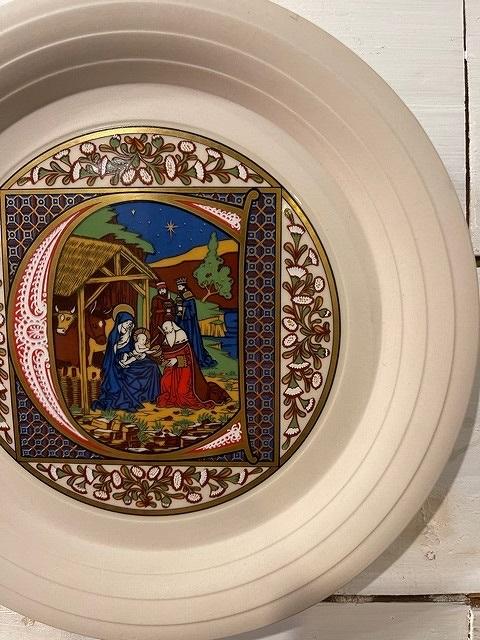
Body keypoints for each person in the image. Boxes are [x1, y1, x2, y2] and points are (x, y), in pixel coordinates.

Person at [92, 311, 161, 412]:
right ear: (120, 323)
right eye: (126, 323)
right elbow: (112, 355)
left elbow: (133, 350)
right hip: (116, 363)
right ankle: (130, 398)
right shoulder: (113, 336)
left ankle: (151, 396)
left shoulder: (129, 335)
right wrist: (121, 361)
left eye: (130, 324)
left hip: (131, 358)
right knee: (126, 373)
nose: (128, 326)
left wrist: (139, 355)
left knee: (152, 366)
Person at [156, 320, 230, 409]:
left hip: (185, 369)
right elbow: (164, 356)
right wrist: (163, 360)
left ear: (172, 327)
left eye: (167, 328)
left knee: (182, 392)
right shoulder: (166, 341)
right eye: (164, 329)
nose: (166, 331)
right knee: (164, 383)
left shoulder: (182, 339)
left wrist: (176, 360)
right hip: (171, 369)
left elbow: (189, 358)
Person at [175, 276, 217, 368]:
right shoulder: (179, 297)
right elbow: (177, 310)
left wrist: (183, 310)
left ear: (184, 286)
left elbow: (193, 312)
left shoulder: (189, 297)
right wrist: (177, 313)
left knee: (191, 340)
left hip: (190, 324)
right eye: (178, 286)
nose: (178, 288)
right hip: (182, 323)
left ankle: (194, 359)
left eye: (180, 286)